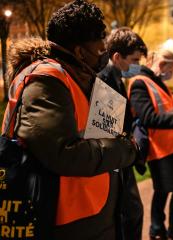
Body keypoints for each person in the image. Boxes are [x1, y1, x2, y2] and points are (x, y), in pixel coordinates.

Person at [2, 0, 138, 239]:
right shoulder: (46, 80)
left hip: (95, 211)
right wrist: (126, 149)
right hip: (65, 220)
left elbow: (104, 133)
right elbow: (64, 153)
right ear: (78, 50)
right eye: (99, 42)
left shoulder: (84, 78)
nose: (103, 49)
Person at [128, 50, 173, 240]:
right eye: (172, 68)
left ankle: (166, 229)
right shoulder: (140, 83)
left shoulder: (154, 80)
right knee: (168, 190)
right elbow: (148, 118)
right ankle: (161, 229)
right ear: (162, 64)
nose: (172, 73)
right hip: (160, 149)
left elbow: (164, 107)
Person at [98, 27, 147, 240]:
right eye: (134, 60)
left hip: (121, 157)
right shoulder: (105, 80)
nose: (137, 66)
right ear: (117, 57)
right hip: (114, 160)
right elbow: (105, 129)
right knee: (130, 212)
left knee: (132, 212)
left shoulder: (116, 77)